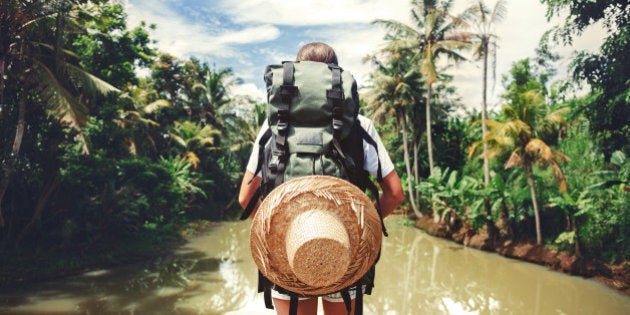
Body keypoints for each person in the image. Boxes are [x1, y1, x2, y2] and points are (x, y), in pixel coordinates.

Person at [238, 42, 404, 315]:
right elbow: (395, 194)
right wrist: (360, 229)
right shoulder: (361, 125)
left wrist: (277, 235)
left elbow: (246, 198)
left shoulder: (273, 127)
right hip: (346, 252)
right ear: (336, 80)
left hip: (288, 254)